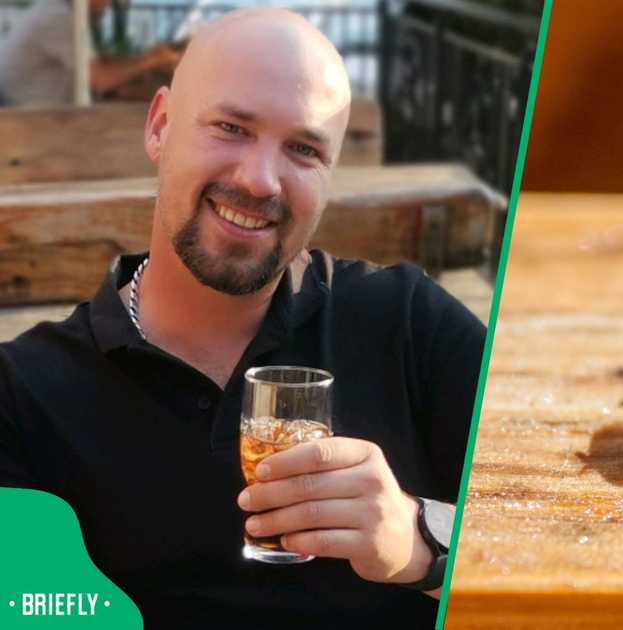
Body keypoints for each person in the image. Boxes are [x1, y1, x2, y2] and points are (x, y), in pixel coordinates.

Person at [0, 8, 484, 628]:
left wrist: (423, 543)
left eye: (304, 149)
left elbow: (544, 532)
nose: (259, 180)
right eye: (231, 127)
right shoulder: (25, 393)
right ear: (160, 126)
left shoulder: (410, 324)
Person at [0, 0, 181, 107]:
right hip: (23, 119)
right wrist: (151, 60)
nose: (108, 4)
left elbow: (101, 64)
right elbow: (100, 79)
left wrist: (149, 58)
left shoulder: (60, 12)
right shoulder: (57, 18)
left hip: (32, 114)